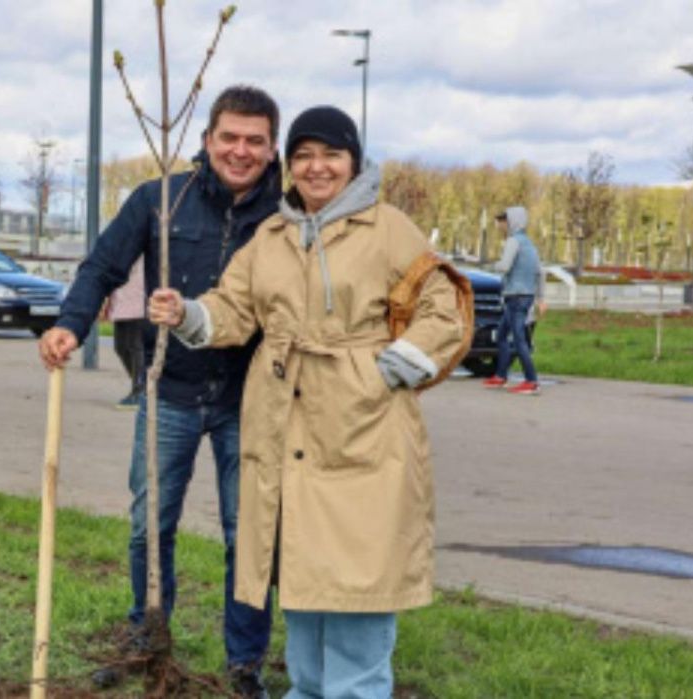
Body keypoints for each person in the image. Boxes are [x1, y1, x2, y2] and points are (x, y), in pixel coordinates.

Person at [149, 105, 469, 699]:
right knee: (300, 576)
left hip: (363, 427)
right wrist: (189, 314)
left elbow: (442, 302)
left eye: (331, 155)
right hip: (282, 426)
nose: (316, 167)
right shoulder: (273, 235)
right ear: (288, 165)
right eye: (302, 155)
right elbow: (234, 306)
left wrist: (391, 369)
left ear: (353, 161)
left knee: (356, 582)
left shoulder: (388, 227)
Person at [37, 85, 282, 696]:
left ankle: (245, 663)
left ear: (273, 148)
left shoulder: (287, 217)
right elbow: (101, 267)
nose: (241, 150)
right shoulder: (159, 200)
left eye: (255, 140)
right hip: (168, 390)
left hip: (247, 400)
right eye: (229, 137)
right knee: (151, 524)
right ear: (207, 140)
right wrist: (70, 324)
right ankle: (148, 641)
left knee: (245, 535)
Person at [482, 206, 546, 395]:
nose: (500, 224)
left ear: (512, 222)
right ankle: (501, 376)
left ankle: (531, 381)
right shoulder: (529, 244)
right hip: (524, 297)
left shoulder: (513, 241)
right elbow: (540, 272)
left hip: (515, 297)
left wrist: (490, 265)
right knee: (502, 335)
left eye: (503, 220)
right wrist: (541, 298)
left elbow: (504, 266)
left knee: (519, 340)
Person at [107, 256, 147, 409]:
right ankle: (142, 386)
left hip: (138, 300)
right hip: (121, 300)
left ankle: (140, 390)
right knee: (120, 347)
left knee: (135, 347)